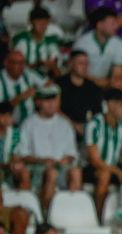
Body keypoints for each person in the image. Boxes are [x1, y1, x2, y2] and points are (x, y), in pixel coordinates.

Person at [18, 84, 82, 212]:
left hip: (61, 167)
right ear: (38, 102)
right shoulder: (28, 124)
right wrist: (42, 161)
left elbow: (72, 153)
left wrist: (66, 160)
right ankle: (47, 214)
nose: (52, 104)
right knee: (51, 173)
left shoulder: (65, 124)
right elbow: (22, 154)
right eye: (47, 100)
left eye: (54, 100)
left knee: (76, 172)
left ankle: (71, 212)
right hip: (37, 168)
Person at [85, 88, 122, 215]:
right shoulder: (94, 124)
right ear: (110, 104)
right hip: (92, 168)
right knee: (104, 175)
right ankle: (98, 215)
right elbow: (94, 160)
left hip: (113, 167)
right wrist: (117, 171)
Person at [56, 51, 103, 140]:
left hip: (86, 133)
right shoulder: (59, 85)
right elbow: (54, 109)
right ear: (71, 64)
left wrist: (88, 128)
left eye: (86, 64)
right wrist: (73, 125)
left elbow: (98, 114)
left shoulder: (94, 88)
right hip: (61, 130)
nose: (85, 67)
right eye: (81, 63)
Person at [0, 51, 47, 125]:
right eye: (16, 63)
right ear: (6, 63)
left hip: (31, 123)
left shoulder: (28, 74)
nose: (20, 66)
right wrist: (20, 98)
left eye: (22, 63)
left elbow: (49, 85)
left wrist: (39, 93)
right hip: (7, 125)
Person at [13, 5, 61, 77]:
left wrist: (53, 66)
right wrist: (37, 65)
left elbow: (57, 70)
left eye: (45, 22)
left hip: (46, 80)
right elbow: (15, 67)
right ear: (31, 22)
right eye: (39, 22)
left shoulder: (51, 40)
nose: (42, 25)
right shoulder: (22, 39)